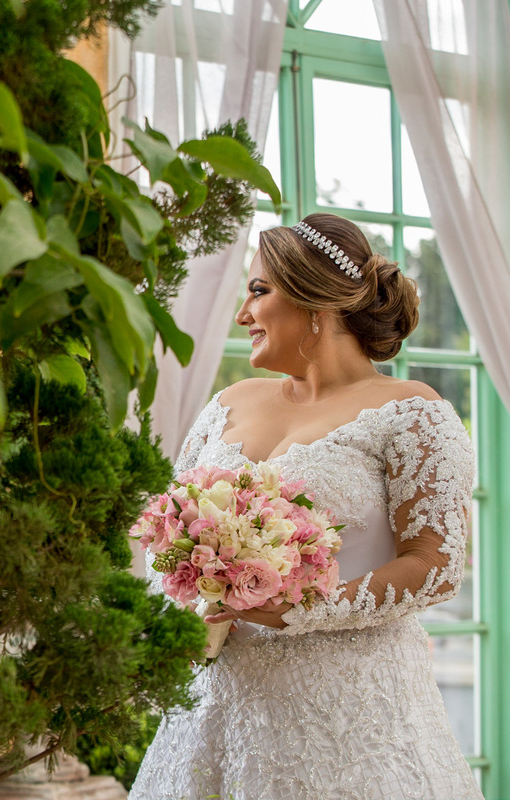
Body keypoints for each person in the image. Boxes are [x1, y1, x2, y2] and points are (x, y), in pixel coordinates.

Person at [129, 213, 483, 800]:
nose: (243, 315)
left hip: (352, 721)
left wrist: (307, 606)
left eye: (258, 291)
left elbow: (437, 566)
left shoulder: (412, 412)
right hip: (213, 708)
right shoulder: (229, 402)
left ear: (316, 303)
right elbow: (172, 528)